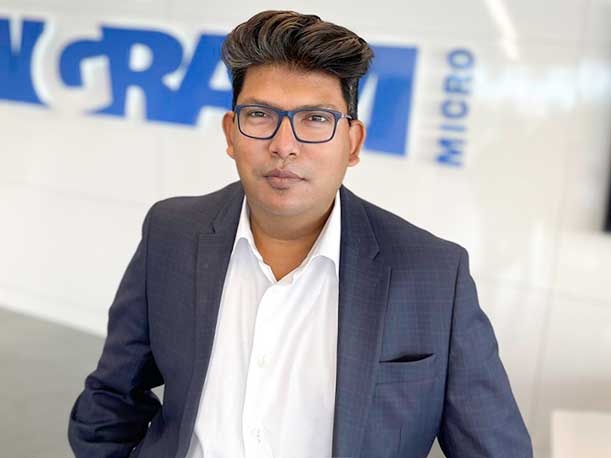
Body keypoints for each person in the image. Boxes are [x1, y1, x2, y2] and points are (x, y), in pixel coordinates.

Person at [67, 10, 533, 458]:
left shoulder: (433, 274)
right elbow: (111, 400)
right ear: (231, 133)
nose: (284, 145)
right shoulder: (172, 233)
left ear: (352, 143)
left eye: (316, 119)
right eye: (260, 115)